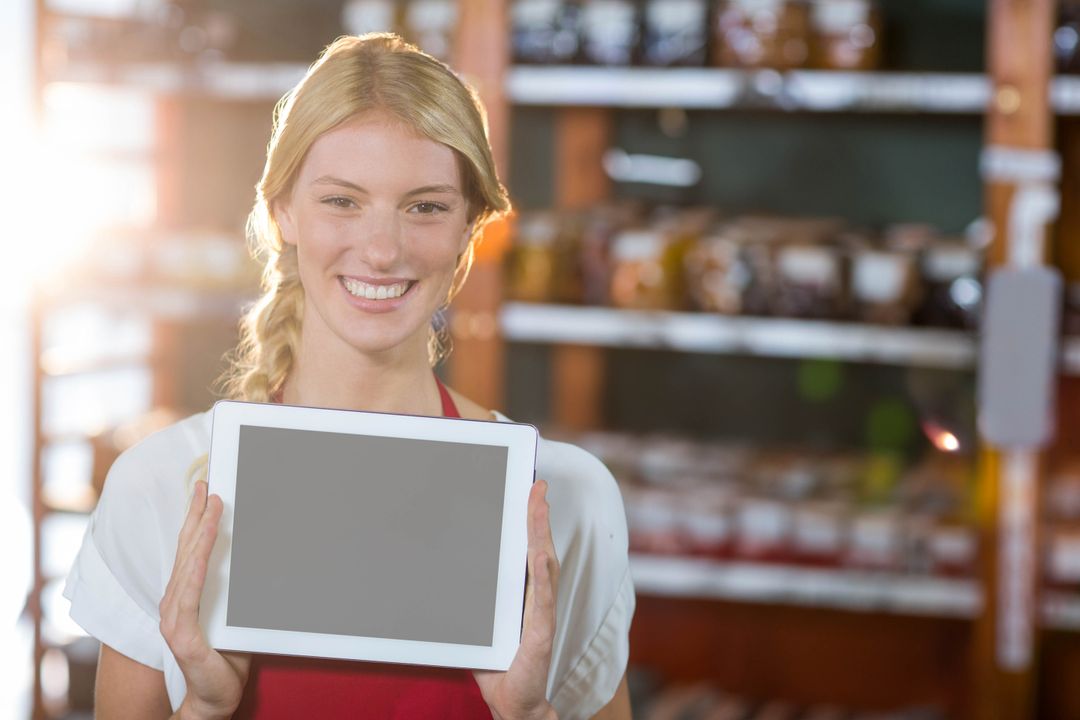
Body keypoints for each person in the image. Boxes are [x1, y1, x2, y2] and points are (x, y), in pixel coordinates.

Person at [63, 33, 634, 720]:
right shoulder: (162, 490)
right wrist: (207, 710)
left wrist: (530, 717)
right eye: (342, 201)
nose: (383, 249)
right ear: (283, 211)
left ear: (469, 229)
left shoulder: (565, 504)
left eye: (425, 206)